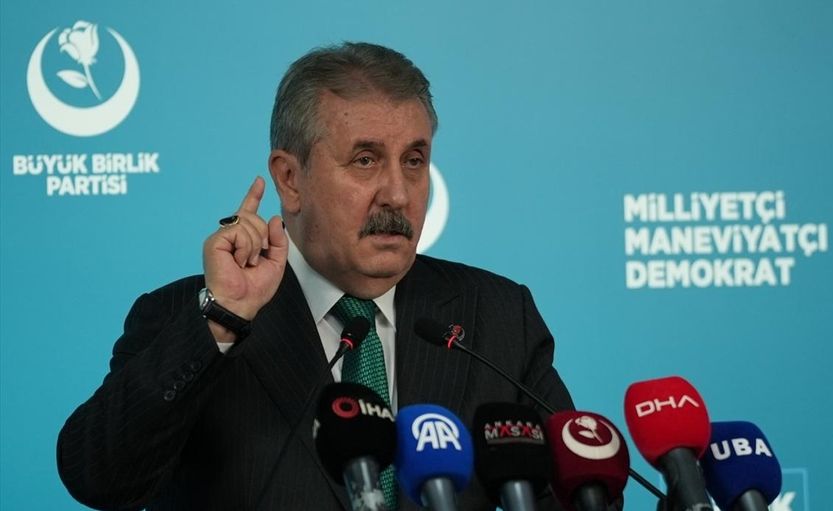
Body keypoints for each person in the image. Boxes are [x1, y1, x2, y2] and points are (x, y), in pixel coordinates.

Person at [57, 42, 574, 510]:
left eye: (415, 160)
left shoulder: (496, 318)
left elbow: (575, 493)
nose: (398, 193)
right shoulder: (189, 316)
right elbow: (100, 479)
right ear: (290, 179)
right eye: (366, 160)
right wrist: (220, 321)